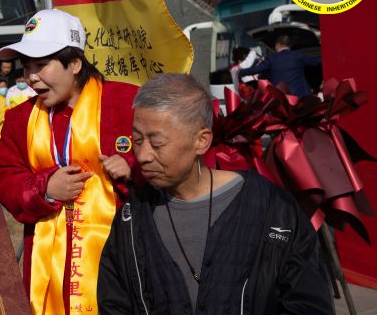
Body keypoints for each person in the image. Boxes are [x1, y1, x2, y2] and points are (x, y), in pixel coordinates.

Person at [98, 73, 334, 314]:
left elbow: (309, 304)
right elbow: (114, 304)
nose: (142, 156)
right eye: (138, 140)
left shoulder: (274, 210)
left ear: (201, 141)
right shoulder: (132, 219)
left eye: (157, 143)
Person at [0, 9, 140, 314]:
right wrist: (44, 188)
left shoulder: (127, 102)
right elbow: (5, 176)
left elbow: (168, 156)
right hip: (47, 265)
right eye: (27, 67)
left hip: (121, 255)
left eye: (41, 65)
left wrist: (133, 169)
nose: (32, 77)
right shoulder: (19, 118)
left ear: (75, 64)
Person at [239, 35, 321, 97]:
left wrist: (241, 72)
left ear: (277, 45)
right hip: (300, 96)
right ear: (289, 46)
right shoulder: (298, 56)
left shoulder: (271, 58)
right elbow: (316, 61)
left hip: (282, 98)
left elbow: (256, 69)